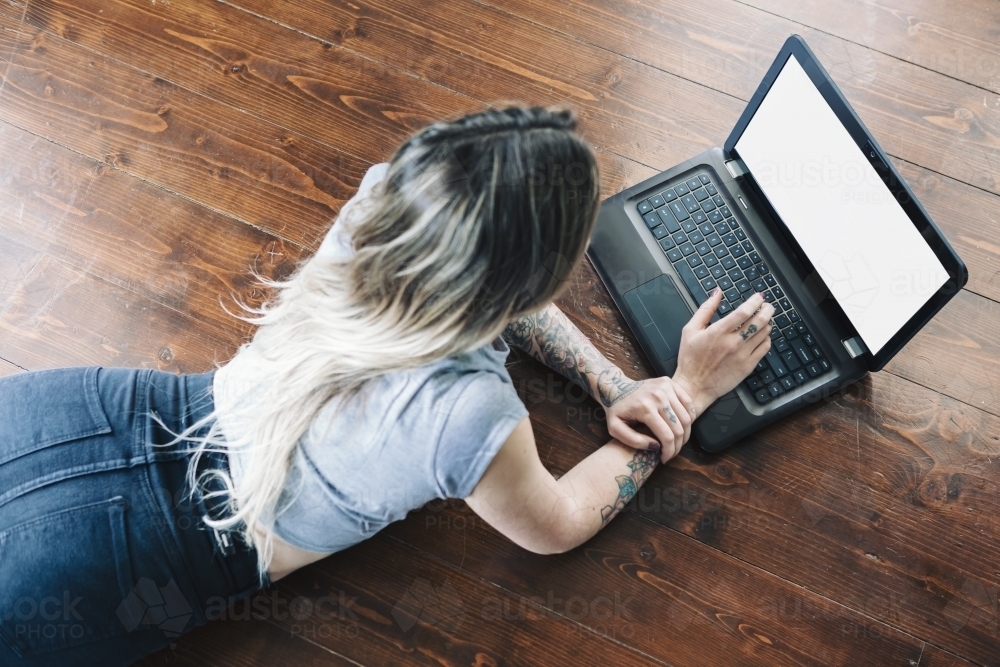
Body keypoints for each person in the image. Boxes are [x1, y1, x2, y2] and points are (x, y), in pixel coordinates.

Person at [0, 106, 773, 666]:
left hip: (83, 415)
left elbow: (491, 288)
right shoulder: (469, 416)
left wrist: (608, 381)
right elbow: (560, 520)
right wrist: (689, 392)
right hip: (131, 557)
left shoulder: (382, 204)